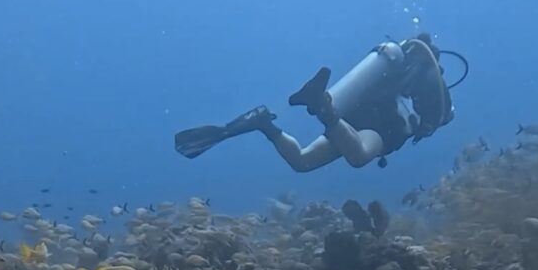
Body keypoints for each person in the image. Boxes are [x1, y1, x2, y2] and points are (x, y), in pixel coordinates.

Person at [174, 33, 464, 171]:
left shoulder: (402, 66)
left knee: (302, 161)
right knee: (360, 156)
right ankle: (323, 107)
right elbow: (438, 118)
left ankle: (265, 124)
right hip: (388, 125)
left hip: (353, 111)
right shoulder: (433, 82)